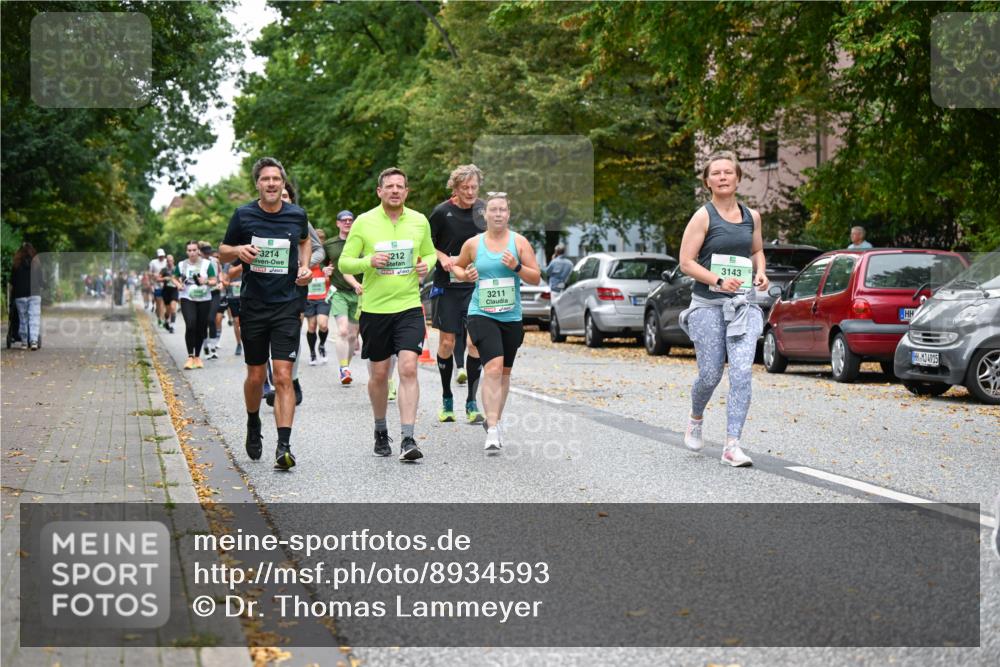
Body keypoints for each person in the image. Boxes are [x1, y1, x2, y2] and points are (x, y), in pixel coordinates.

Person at [677, 151, 768, 467]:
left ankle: (732, 445)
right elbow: (685, 262)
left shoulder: (751, 216)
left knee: (742, 372)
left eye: (728, 172)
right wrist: (717, 279)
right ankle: (696, 416)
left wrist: (761, 272)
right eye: (716, 173)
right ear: (707, 181)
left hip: (743, 305)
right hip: (707, 306)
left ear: (738, 178)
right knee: (711, 374)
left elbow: (756, 250)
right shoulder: (703, 216)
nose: (723, 177)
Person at [219, 157, 311, 470]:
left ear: (283, 184)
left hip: (287, 305)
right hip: (254, 305)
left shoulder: (296, 214)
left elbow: (304, 241)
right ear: (258, 184)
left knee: (284, 375)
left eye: (276, 179)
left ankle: (283, 446)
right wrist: (238, 252)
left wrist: (304, 266)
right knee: (257, 376)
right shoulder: (243, 214)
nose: (271, 184)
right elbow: (223, 250)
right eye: (265, 179)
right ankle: (253, 421)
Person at [339, 167, 436, 462]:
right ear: (379, 191)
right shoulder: (364, 223)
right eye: (389, 186)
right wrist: (368, 261)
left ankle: (408, 437)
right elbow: (345, 262)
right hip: (375, 309)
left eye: (400, 186)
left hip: (408, 307)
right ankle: (381, 429)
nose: (395, 190)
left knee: (408, 368)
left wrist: (426, 265)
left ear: (406, 191)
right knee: (380, 374)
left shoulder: (419, 221)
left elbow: (430, 253)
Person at [452, 193, 541, 452]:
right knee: (492, 368)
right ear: (485, 214)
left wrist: (516, 267)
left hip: (511, 317)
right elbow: (456, 268)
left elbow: (535, 277)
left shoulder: (519, 242)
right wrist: (466, 274)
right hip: (481, 313)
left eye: (503, 209)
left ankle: (496, 419)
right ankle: (491, 428)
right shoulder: (473, 244)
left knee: (504, 373)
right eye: (493, 210)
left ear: (508, 214)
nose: (498, 214)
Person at [429, 164, 487, 424]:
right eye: (465, 188)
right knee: (447, 343)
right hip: (448, 285)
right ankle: (446, 398)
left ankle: (472, 402)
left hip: (477, 284)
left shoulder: (483, 211)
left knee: (475, 343)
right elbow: (428, 246)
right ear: (455, 188)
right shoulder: (442, 212)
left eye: (474, 187)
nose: (471, 192)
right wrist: (443, 258)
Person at [322, 210, 365, 384]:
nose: (347, 223)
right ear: (337, 223)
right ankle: (344, 369)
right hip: (339, 292)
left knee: (353, 336)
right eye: (343, 220)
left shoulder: (362, 241)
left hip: (360, 292)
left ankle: (346, 365)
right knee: (343, 331)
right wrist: (325, 270)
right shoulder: (330, 244)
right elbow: (323, 264)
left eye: (350, 220)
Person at [173, 240, 218, 369]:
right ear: (186, 252)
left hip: (204, 298)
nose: (192, 253)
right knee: (191, 324)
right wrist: (178, 285)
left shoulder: (207, 264)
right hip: (187, 297)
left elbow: (214, 280)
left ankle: (197, 357)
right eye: (189, 250)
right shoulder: (181, 265)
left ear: (198, 251)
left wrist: (206, 281)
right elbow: (174, 278)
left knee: (201, 327)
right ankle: (190, 356)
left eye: (194, 250)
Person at [305, 228, 332, 365]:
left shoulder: (326, 258)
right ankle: (312, 353)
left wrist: (328, 277)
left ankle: (321, 345)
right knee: (311, 326)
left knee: (323, 324)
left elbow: (334, 275)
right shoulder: (306, 256)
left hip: (323, 296)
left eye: (321, 241)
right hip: (309, 297)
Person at [11, 242, 43, 350]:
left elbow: (12, 281)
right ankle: (33, 340)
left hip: (20, 295)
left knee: (23, 318)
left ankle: (24, 342)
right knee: (34, 317)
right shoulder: (36, 264)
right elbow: (40, 280)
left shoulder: (16, 264)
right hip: (34, 294)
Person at [199, 242, 224, 359]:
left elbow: (220, 274)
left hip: (214, 293)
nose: (208, 255)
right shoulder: (198, 263)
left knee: (211, 319)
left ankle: (213, 347)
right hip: (202, 294)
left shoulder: (215, 261)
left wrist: (221, 283)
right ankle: (205, 346)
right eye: (205, 253)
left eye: (209, 253)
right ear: (201, 253)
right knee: (203, 321)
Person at [222, 259, 243, 355]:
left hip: (246, 297)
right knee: (236, 321)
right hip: (232, 296)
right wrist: (232, 284)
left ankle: (249, 343)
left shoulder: (247, 260)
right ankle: (239, 344)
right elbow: (224, 281)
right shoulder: (228, 264)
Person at [149, 248, 168, 326]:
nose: (161, 257)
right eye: (160, 256)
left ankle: (162, 319)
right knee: (158, 304)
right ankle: (159, 318)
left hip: (165, 285)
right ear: (157, 256)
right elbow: (149, 273)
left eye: (162, 256)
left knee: (163, 303)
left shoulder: (167, 262)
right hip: (156, 285)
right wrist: (154, 275)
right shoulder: (153, 262)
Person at [160, 255, 178, 333]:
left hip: (174, 290)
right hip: (166, 291)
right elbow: (158, 278)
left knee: (173, 308)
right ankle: (166, 320)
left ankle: (172, 326)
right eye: (168, 261)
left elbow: (181, 278)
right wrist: (164, 278)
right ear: (166, 261)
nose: (169, 262)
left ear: (173, 260)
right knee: (168, 311)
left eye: (171, 260)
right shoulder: (164, 270)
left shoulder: (177, 269)